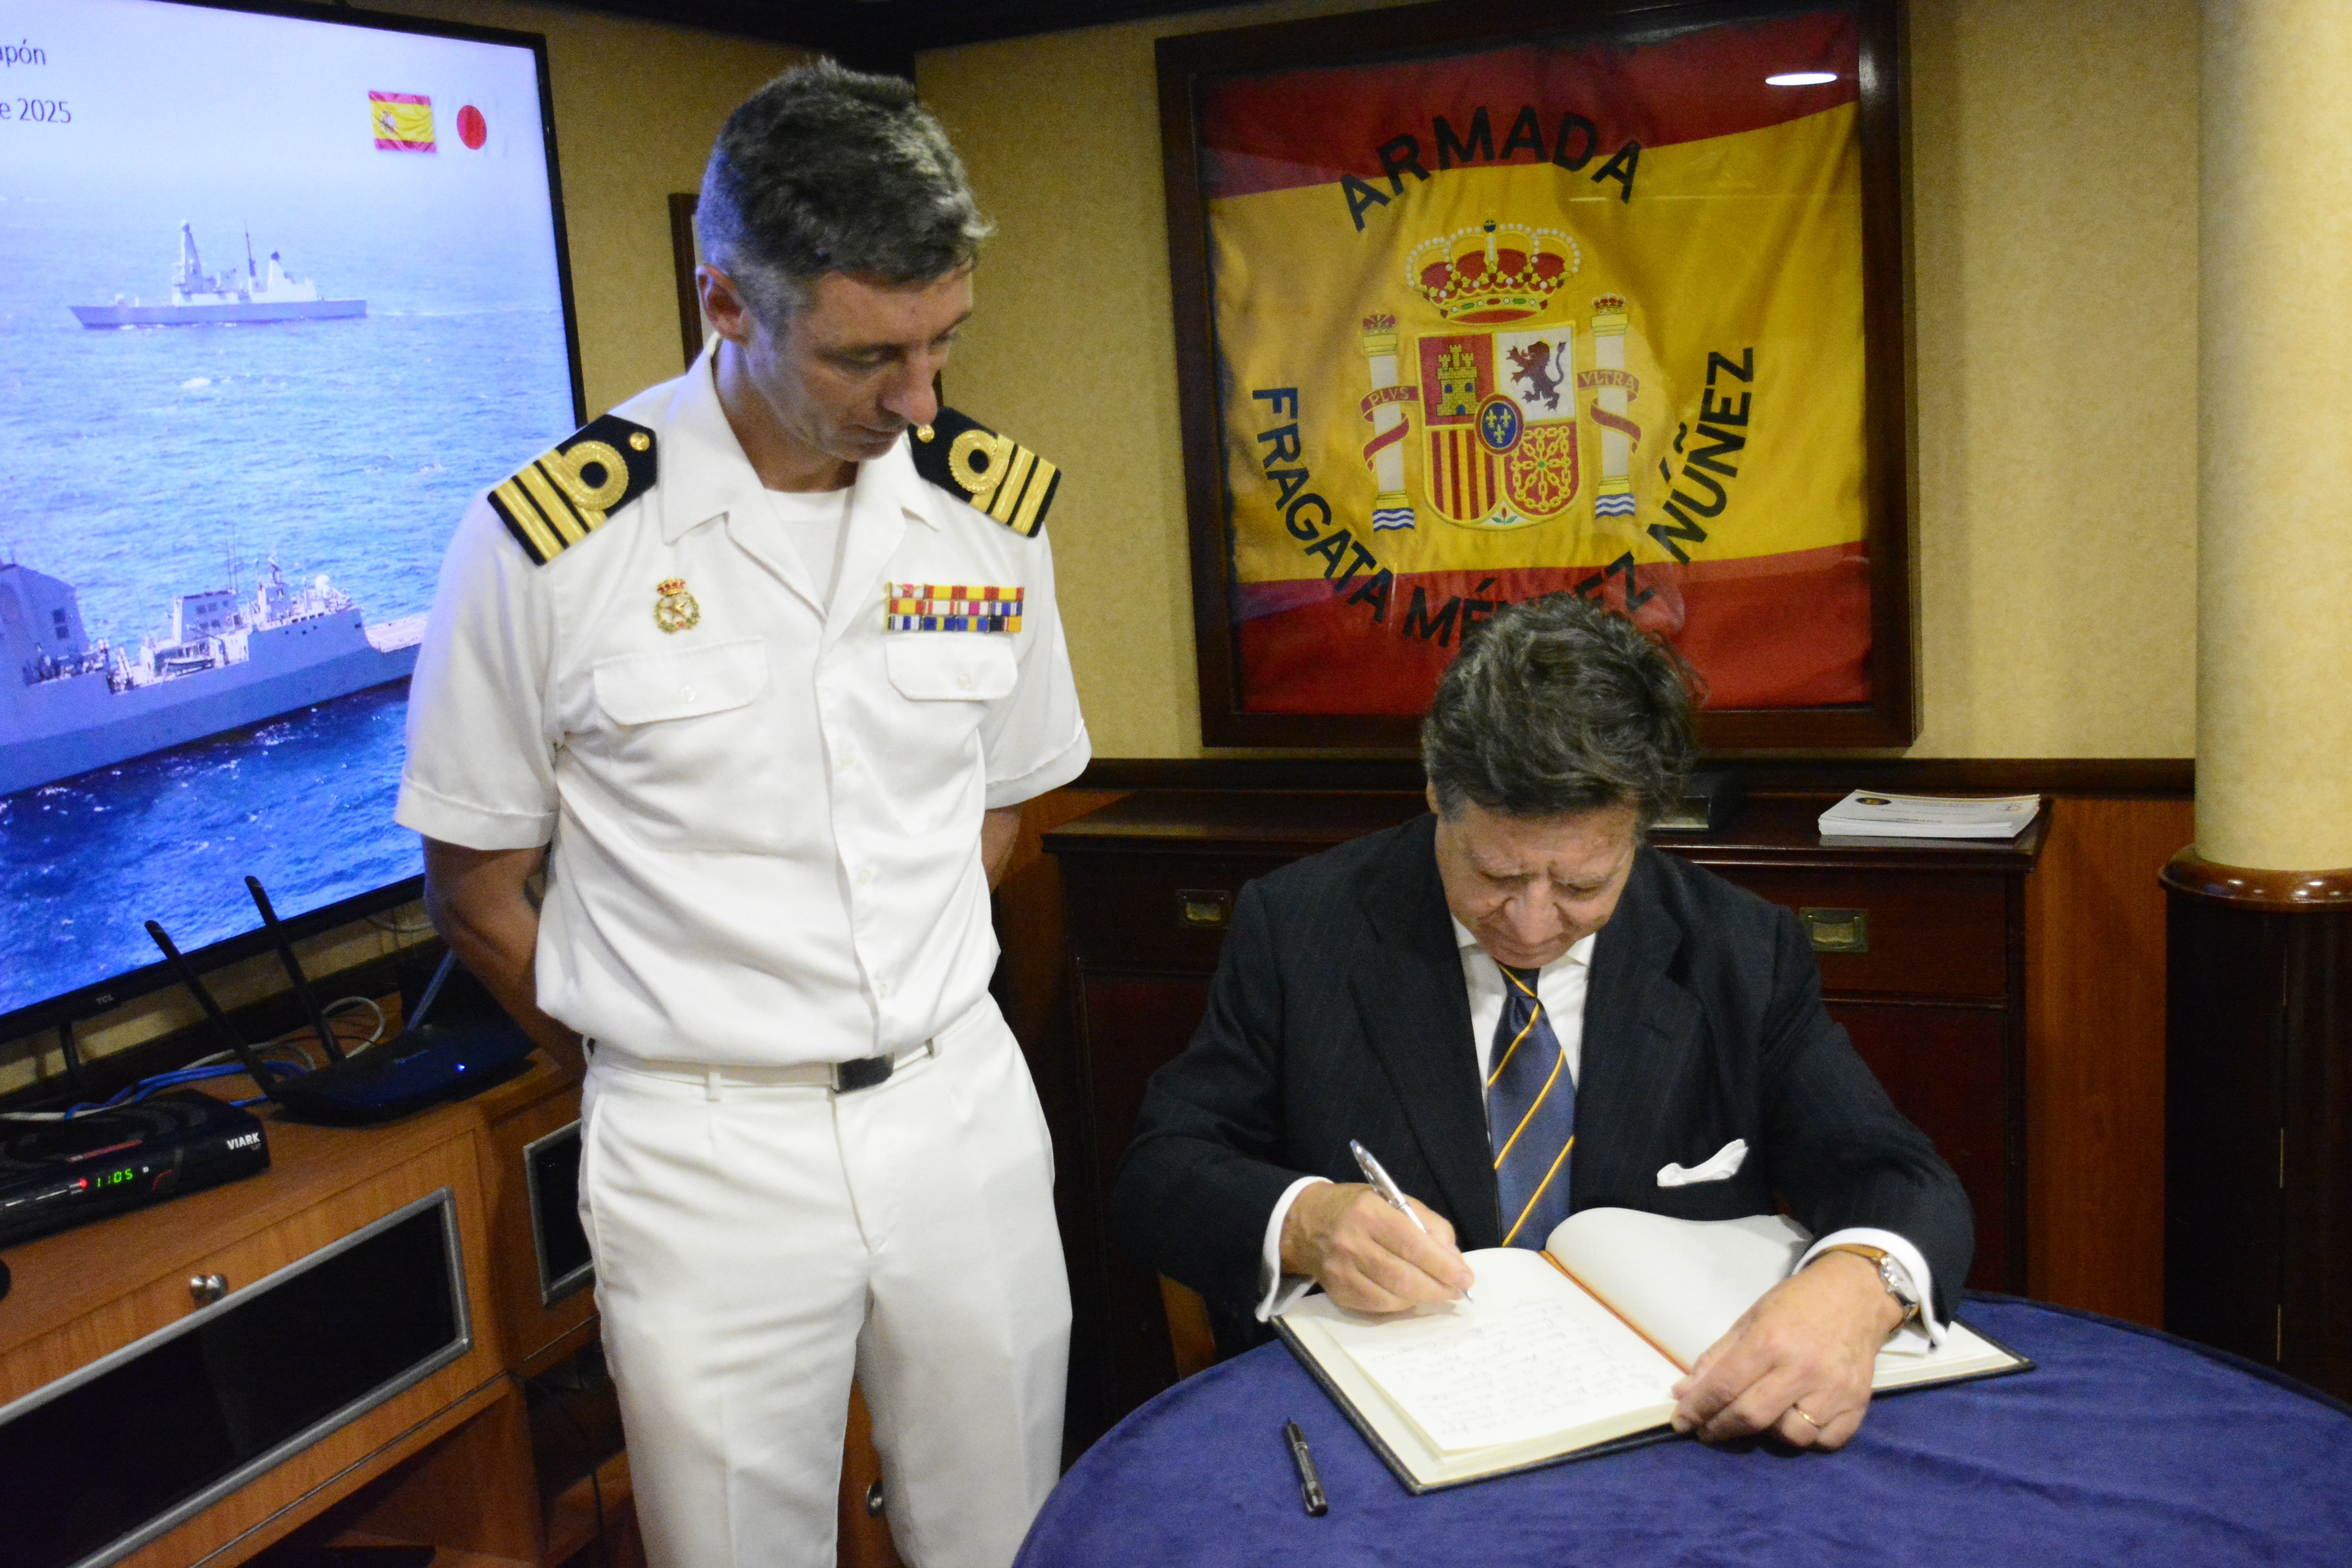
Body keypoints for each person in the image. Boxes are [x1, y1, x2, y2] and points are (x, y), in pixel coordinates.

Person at [395, 62, 1088, 1568]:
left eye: (941, 344)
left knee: (1009, 1533)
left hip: (957, 1109)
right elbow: (477, 888)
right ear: (725, 303)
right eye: (866, 359)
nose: (919, 403)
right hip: (699, 1147)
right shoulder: (549, 544)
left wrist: (901, 1001)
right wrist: (651, 1053)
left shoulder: (985, 510)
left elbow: (999, 813)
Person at [1112, 593, 1970, 1451]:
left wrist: (1857, 1290)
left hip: (1669, 1432)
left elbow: (1902, 1178)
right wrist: (1307, 1220)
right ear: (1435, 796)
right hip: (1385, 1430)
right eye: (1494, 872)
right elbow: (1162, 1168)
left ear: (1639, 825)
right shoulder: (1302, 929)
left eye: (1582, 886)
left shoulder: (1739, 950)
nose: (1530, 924)